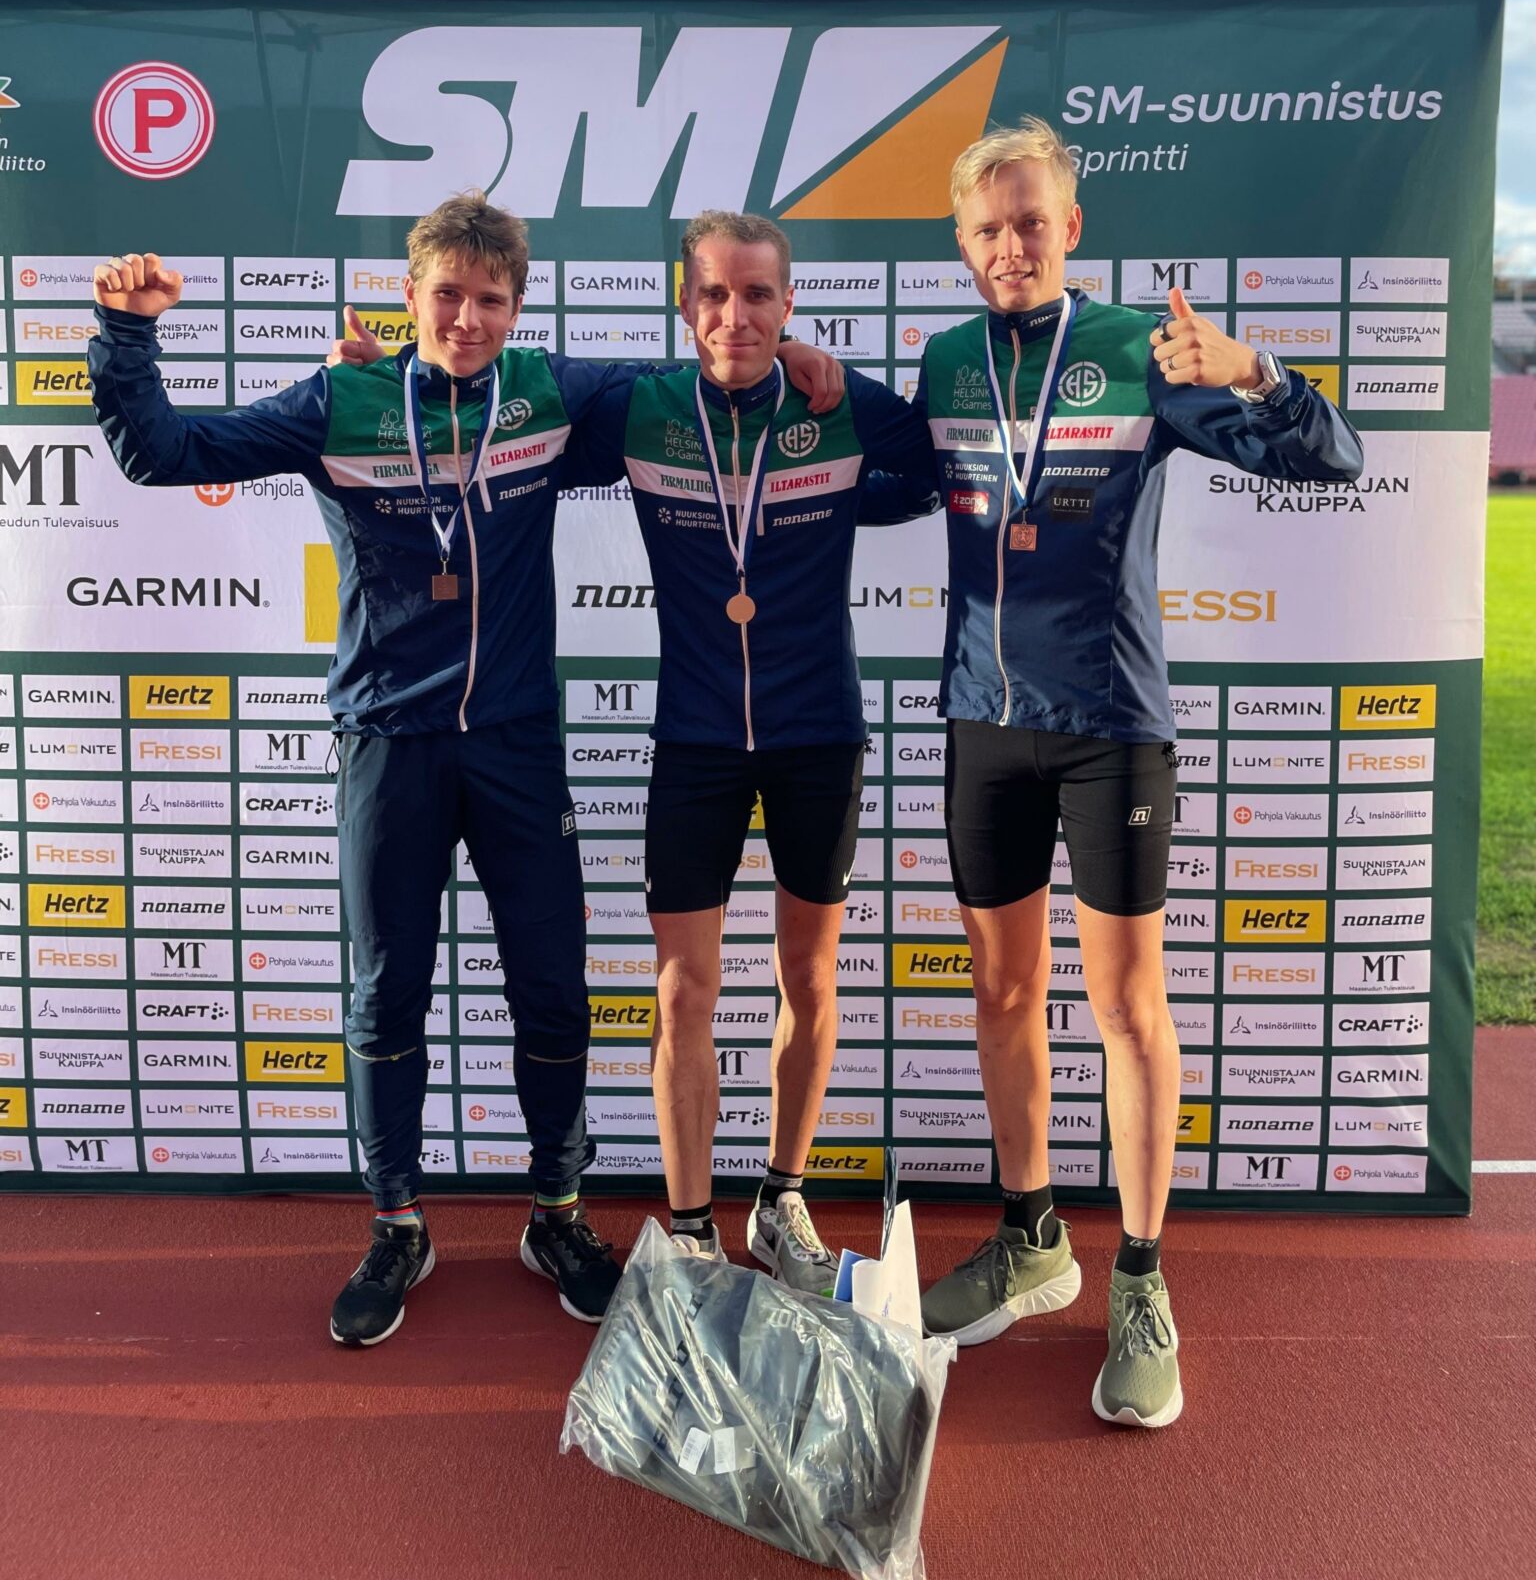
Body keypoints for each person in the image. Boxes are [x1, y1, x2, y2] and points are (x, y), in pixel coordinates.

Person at [87, 196, 841, 1349]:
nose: (468, 318)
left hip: (516, 740)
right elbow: (163, 451)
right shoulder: (340, 399)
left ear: (518, 306)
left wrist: (791, 355)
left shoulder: (550, 393)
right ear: (410, 297)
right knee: (386, 992)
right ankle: (396, 1223)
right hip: (389, 741)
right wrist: (128, 332)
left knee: (553, 987)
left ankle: (558, 1213)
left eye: (491, 299)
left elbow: (700, 378)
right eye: (447, 294)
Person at [911, 118, 1363, 1425]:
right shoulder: (945, 363)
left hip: (1112, 726)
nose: (1010, 245)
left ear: (1070, 228)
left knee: (1126, 1006)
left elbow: (1329, 457)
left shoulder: (1138, 352)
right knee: (1003, 993)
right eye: (987, 228)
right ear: (963, 243)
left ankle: (1143, 1277)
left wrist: (1256, 369)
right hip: (983, 722)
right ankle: (1031, 1235)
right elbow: (868, 472)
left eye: (1030, 221)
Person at [559, 211, 937, 1291]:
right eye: (715, 295)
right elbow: (502, 397)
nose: (736, 314)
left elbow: (929, 465)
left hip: (820, 733)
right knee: (685, 989)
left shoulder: (838, 403)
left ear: (788, 302)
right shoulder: (640, 405)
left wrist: (826, 390)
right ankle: (690, 1225)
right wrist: (381, 372)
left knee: (807, 976)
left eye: (759, 295)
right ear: (685, 306)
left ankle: (781, 1197)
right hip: (695, 737)